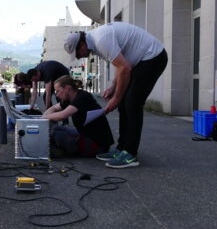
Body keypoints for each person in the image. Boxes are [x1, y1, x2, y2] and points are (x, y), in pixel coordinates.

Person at [63, 22, 167, 168]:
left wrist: (116, 99)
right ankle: (121, 149)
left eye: (78, 54)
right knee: (124, 104)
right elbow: (121, 64)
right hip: (140, 61)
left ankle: (130, 154)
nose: (80, 57)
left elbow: (125, 68)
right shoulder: (95, 42)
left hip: (153, 57)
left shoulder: (101, 41)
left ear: (82, 45)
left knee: (132, 104)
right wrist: (113, 86)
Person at [42, 75, 114, 157]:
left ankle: (59, 151)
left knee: (56, 133)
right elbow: (54, 107)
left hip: (96, 144)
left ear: (67, 88)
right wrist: (41, 120)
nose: (56, 95)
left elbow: (62, 115)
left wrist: (43, 118)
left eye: (58, 91)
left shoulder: (82, 97)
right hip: (84, 134)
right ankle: (58, 149)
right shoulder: (69, 98)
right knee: (54, 128)